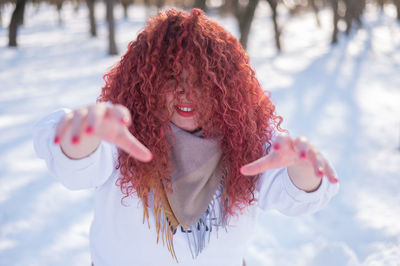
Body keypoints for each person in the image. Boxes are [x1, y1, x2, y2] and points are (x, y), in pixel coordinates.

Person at [33, 8, 339, 266]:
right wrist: (79, 138)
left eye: (203, 81)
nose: (186, 93)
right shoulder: (122, 129)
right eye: (171, 78)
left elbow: (293, 195)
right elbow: (77, 168)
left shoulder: (247, 137)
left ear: (226, 87)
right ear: (146, 82)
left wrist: (303, 169)